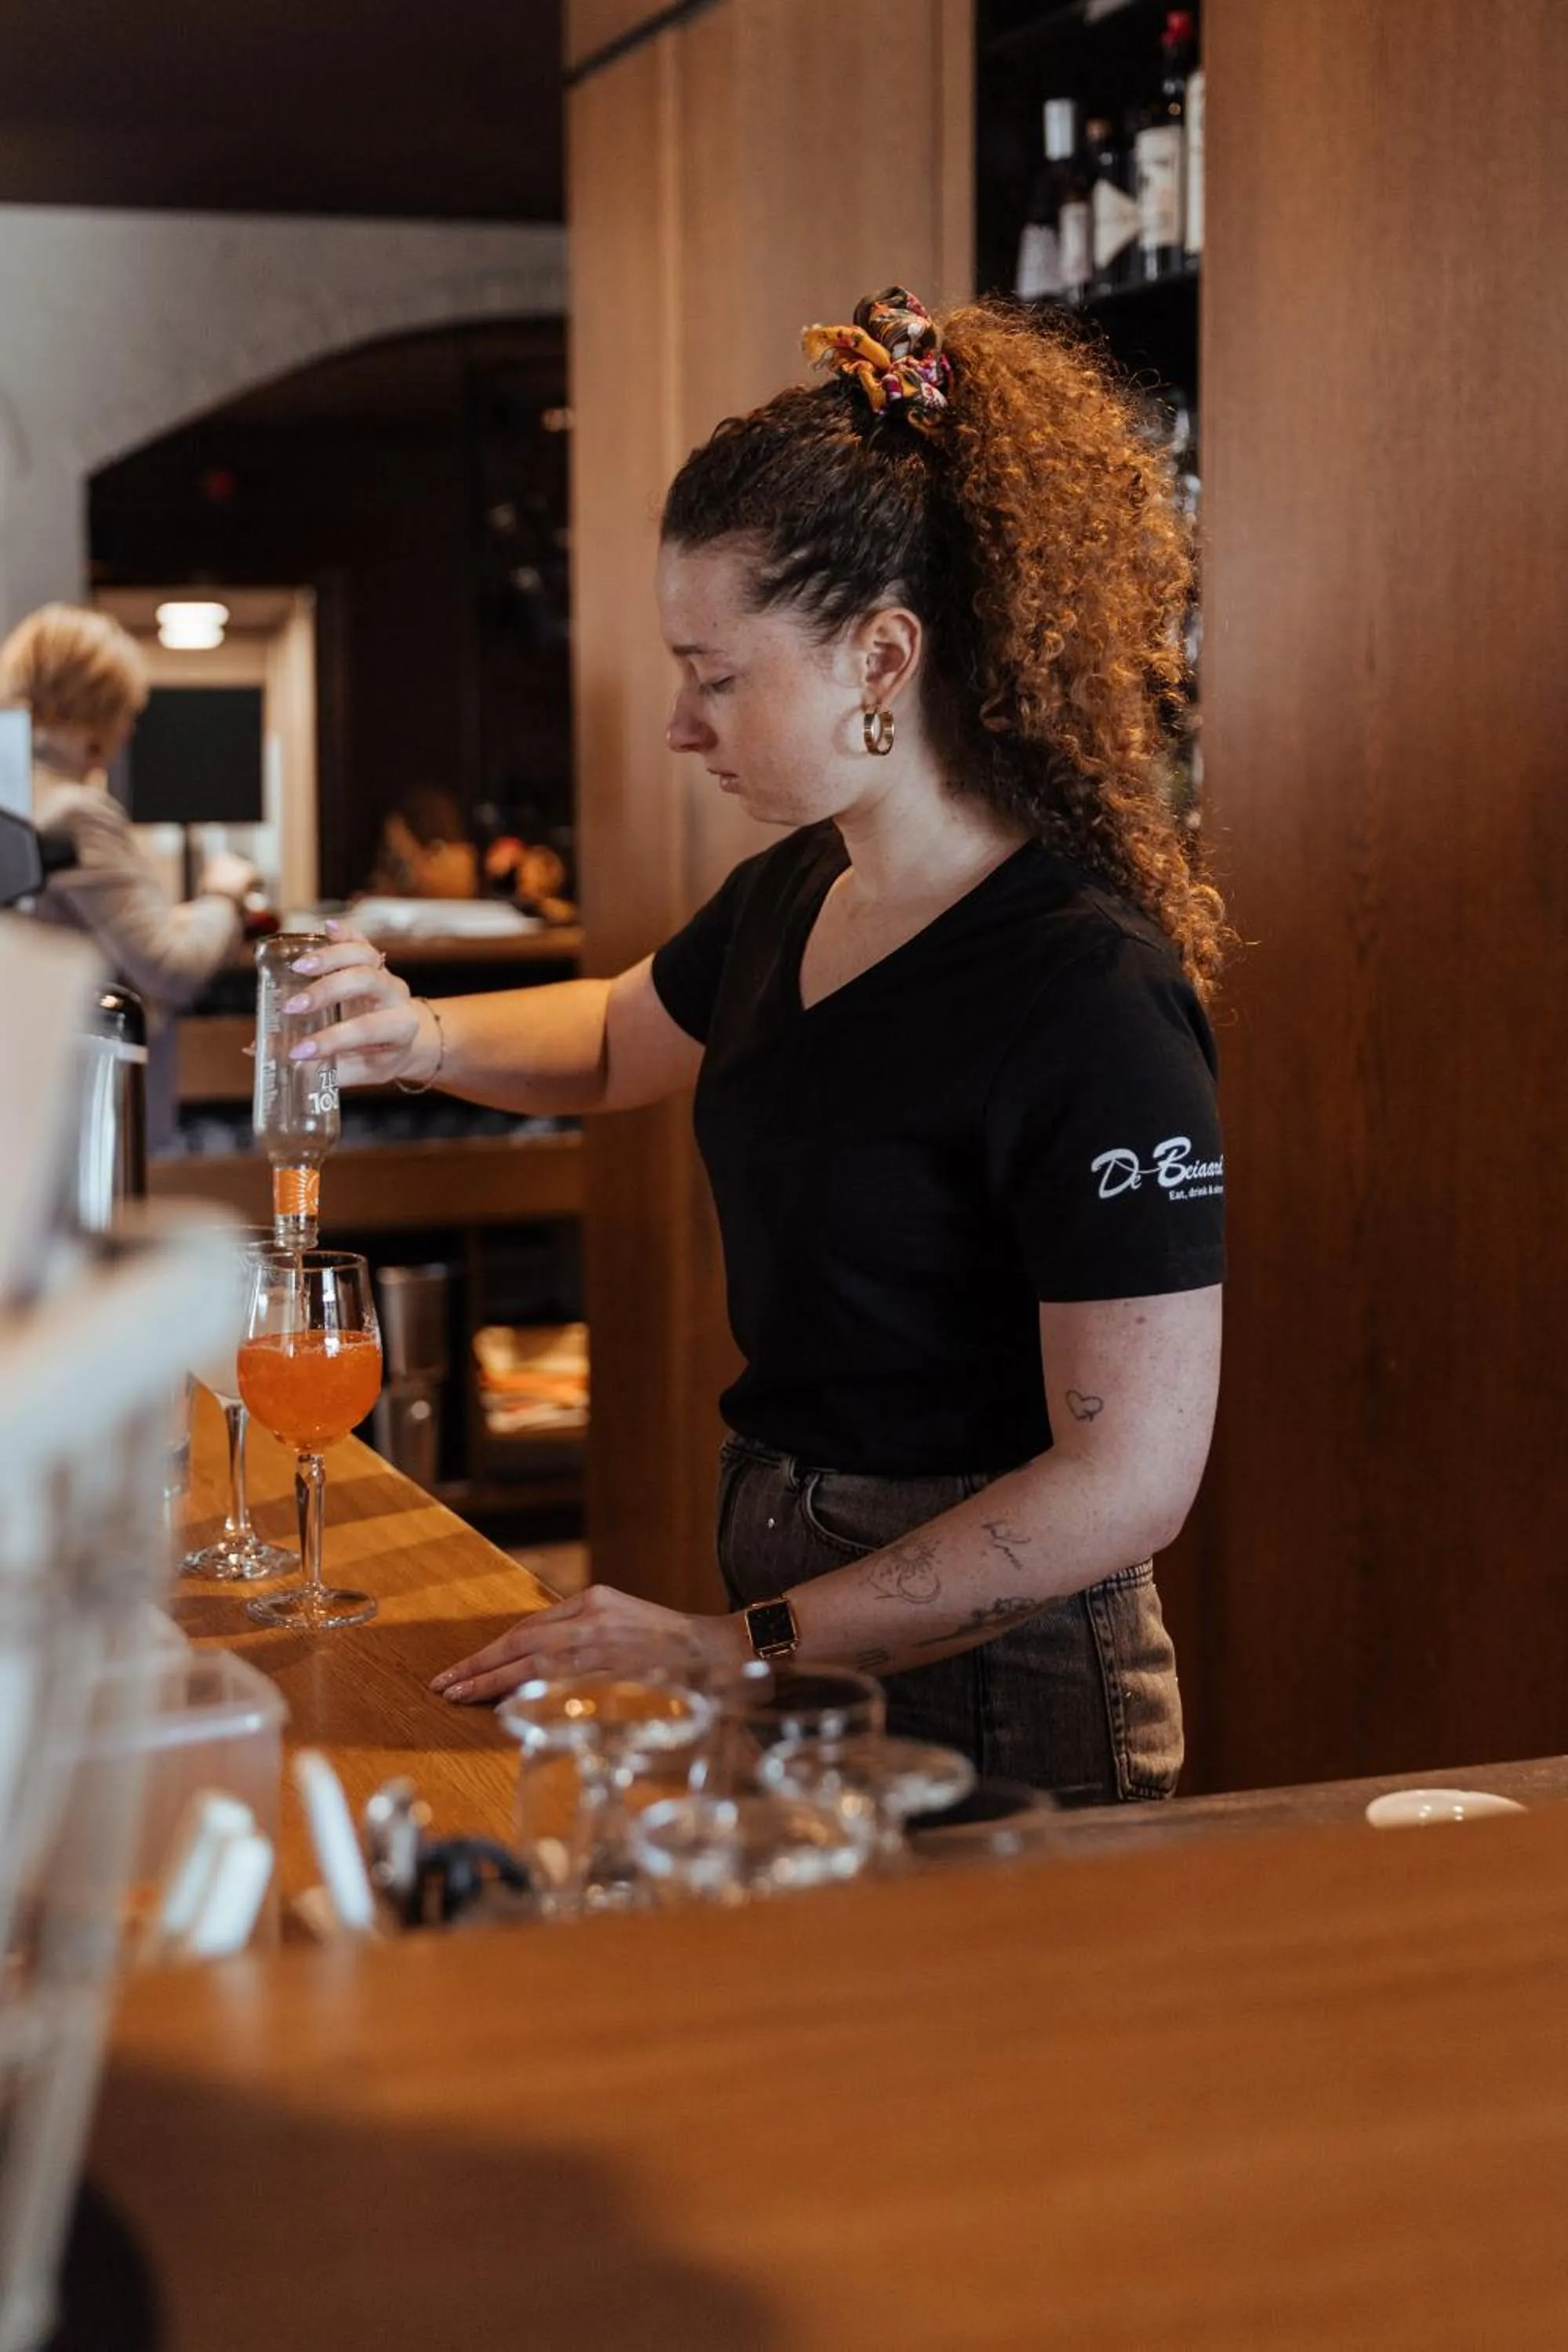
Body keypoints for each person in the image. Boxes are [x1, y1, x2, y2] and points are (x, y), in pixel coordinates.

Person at [286, 290, 1227, 1801]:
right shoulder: (799, 887)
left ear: (881, 658)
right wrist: (413, 1032)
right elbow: (618, 1039)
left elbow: (1126, 1484)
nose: (682, 724)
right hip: (792, 1601)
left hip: (1010, 1689)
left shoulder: (1084, 992)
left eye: (716, 676)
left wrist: (738, 1646)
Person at [1, 603, 257, 1010]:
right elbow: (170, 970)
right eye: (125, 711)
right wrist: (223, 895)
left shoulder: (19, 797)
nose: (128, 730)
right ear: (97, 707)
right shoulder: (75, 813)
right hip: (75, 1043)